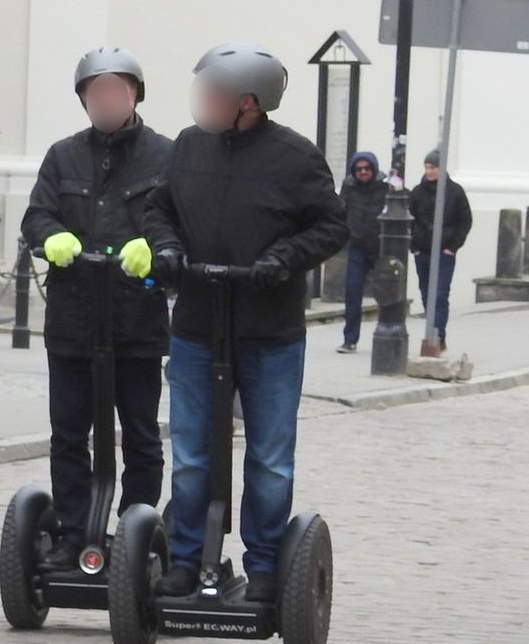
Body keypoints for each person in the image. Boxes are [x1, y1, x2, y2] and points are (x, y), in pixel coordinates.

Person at [144, 42, 348, 602]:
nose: (202, 103)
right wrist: (166, 249)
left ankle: (263, 566)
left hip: (268, 331)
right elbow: (159, 209)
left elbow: (332, 227)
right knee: (189, 453)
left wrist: (282, 260)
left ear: (249, 104)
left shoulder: (295, 158)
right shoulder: (188, 147)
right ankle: (186, 559)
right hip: (196, 324)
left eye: (214, 94)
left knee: (270, 458)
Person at [20, 46, 171, 568]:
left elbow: (177, 223)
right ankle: (72, 533)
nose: (106, 99)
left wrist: (153, 247)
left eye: (116, 89)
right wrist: (53, 236)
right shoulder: (63, 156)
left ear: (134, 94)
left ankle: (136, 528)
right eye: (96, 91)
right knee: (68, 433)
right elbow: (35, 217)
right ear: (84, 98)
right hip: (73, 320)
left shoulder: (166, 156)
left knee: (141, 434)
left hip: (136, 319)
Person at [409, 148, 472, 352]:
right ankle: (432, 331)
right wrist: (415, 246)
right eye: (427, 167)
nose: (429, 171)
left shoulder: (455, 192)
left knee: (440, 294)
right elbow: (409, 219)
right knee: (427, 294)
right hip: (423, 251)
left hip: (445, 252)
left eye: (433, 167)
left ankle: (437, 335)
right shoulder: (418, 192)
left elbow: (465, 221)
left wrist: (453, 247)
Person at [337, 151, 388, 353]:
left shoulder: (386, 186)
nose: (363, 172)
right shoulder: (348, 187)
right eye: (359, 169)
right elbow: (340, 211)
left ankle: (385, 336)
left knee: (387, 294)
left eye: (367, 168)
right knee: (353, 292)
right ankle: (350, 339)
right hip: (357, 246)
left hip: (381, 247)